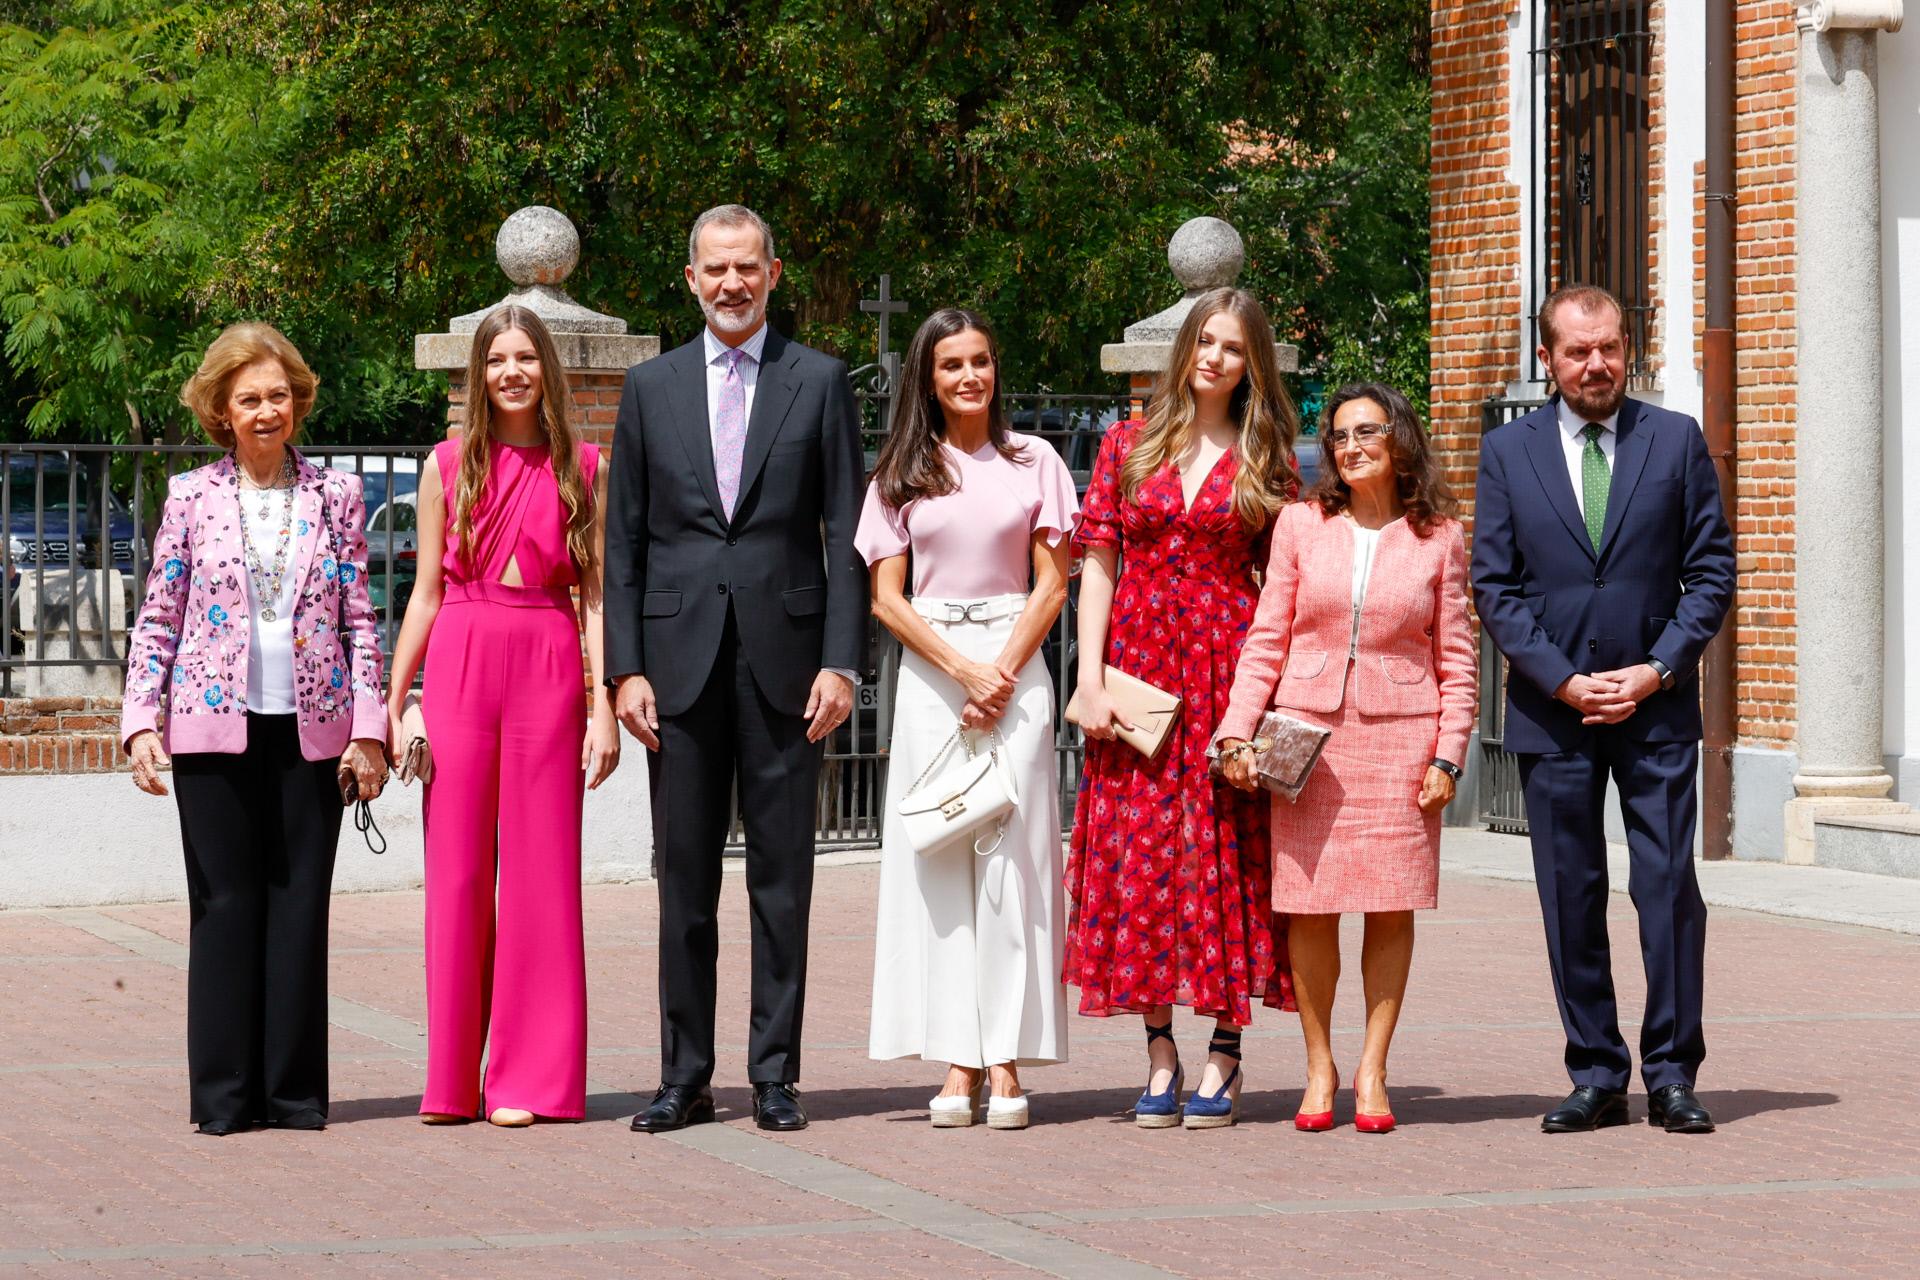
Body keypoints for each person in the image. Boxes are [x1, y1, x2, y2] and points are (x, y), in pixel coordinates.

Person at [606, 204, 867, 1134]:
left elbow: (850, 536)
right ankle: (684, 1076)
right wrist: (623, 671)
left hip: (790, 670)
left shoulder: (821, 381)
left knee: (781, 880)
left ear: (773, 272)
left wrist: (843, 662)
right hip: (675, 670)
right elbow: (625, 544)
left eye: (746, 267)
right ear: (690, 278)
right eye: (714, 268)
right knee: (683, 881)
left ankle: (774, 1076)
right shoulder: (649, 387)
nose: (731, 283)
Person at [1470, 284, 1734, 1135]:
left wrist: (1657, 670)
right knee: (1570, 896)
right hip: (1556, 716)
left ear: (1630, 348)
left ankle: (1671, 1074)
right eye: (1578, 351)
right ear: (1547, 358)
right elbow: (1495, 587)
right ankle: (1595, 1072)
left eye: (1610, 348)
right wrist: (1560, 679)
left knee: (1665, 891)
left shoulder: (1676, 441)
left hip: (1655, 714)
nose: (1596, 365)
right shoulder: (1509, 453)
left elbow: (1711, 574)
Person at [121, 322, 387, 1136]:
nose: (266, 411)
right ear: (221, 411)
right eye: (249, 399)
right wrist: (140, 720)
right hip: (211, 729)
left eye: (278, 395)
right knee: (227, 905)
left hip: (314, 730)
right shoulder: (190, 498)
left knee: (300, 903)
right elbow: (160, 613)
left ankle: (293, 1092)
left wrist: (369, 728)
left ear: (297, 402)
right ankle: (226, 1097)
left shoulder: (336, 495)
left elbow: (360, 620)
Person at [1064, 287, 1299, 1131]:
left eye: (1233, 347)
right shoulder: (1127, 444)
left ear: (1251, 364)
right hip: (1139, 674)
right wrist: (1089, 680)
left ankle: (1226, 1051)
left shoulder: (1269, 455)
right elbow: (1096, 564)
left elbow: (1285, 586)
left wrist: (1272, 700)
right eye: (1204, 341)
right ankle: (1160, 1050)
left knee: (1228, 856)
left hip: (1227, 673)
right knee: (1143, 856)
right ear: (1184, 350)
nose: (1215, 357)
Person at [1216, 382, 1475, 1134]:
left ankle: (1372, 1069)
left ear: (1400, 439)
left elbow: (1458, 660)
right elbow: (1268, 639)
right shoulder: (1301, 524)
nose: (1352, 445)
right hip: (1307, 742)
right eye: (1339, 435)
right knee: (1310, 907)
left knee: (1390, 906)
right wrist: (1236, 731)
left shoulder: (1441, 538)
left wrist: (1449, 756)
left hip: (1401, 742)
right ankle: (1320, 1064)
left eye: (1368, 430)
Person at [383, 305, 618, 1127]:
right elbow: (423, 593)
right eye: (496, 359)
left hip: (550, 661)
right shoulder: (447, 465)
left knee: (542, 875)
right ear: (479, 373)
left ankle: (529, 1082)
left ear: (544, 369)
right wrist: (393, 703)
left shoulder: (585, 465)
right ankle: (451, 1081)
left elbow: (593, 597)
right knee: (454, 874)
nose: (511, 371)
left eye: (525, 357)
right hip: (461, 660)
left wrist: (604, 709)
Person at [859, 309, 1077, 1130]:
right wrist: (960, 671)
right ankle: (956, 1058)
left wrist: (1002, 673)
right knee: (941, 853)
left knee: (1013, 862)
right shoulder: (899, 472)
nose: (969, 377)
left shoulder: (1038, 461)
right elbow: (886, 597)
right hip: (933, 676)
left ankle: (1008, 1058)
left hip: (1016, 671)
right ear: (929, 376)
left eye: (981, 361)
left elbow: (1054, 584)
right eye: (952, 364)